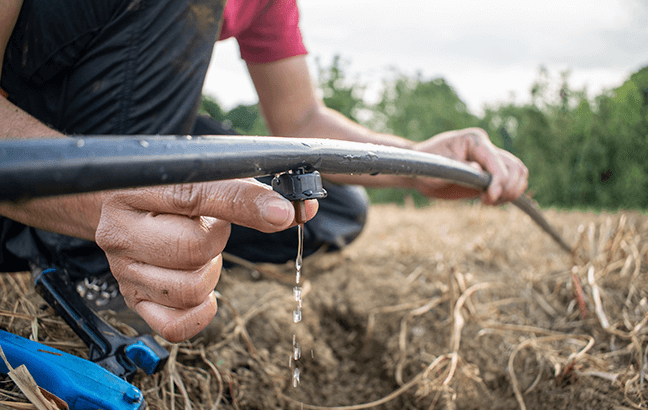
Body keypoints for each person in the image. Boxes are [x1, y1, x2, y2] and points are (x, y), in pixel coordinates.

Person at [0, 0, 528, 343]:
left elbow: (300, 116)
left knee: (328, 209)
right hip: (25, 140)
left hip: (120, 118)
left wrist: (418, 161)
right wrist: (98, 203)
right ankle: (90, 264)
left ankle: (157, 239)